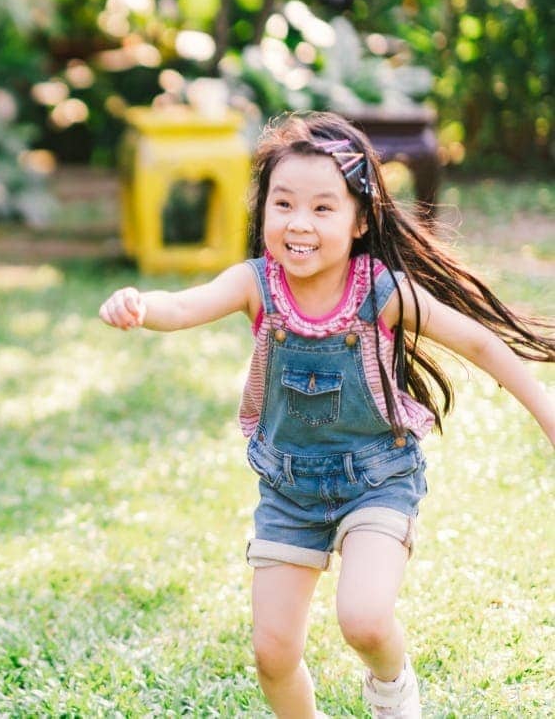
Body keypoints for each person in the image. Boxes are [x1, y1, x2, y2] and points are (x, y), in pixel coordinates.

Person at [98, 111, 555, 717]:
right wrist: (140, 305)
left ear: (360, 219)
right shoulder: (256, 283)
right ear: (262, 212)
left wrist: (547, 413)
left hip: (377, 480)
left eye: (322, 208)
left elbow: (480, 344)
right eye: (282, 204)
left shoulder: (382, 292)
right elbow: (183, 306)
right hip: (289, 491)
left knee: (364, 620)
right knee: (272, 653)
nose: (298, 224)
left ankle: (392, 686)